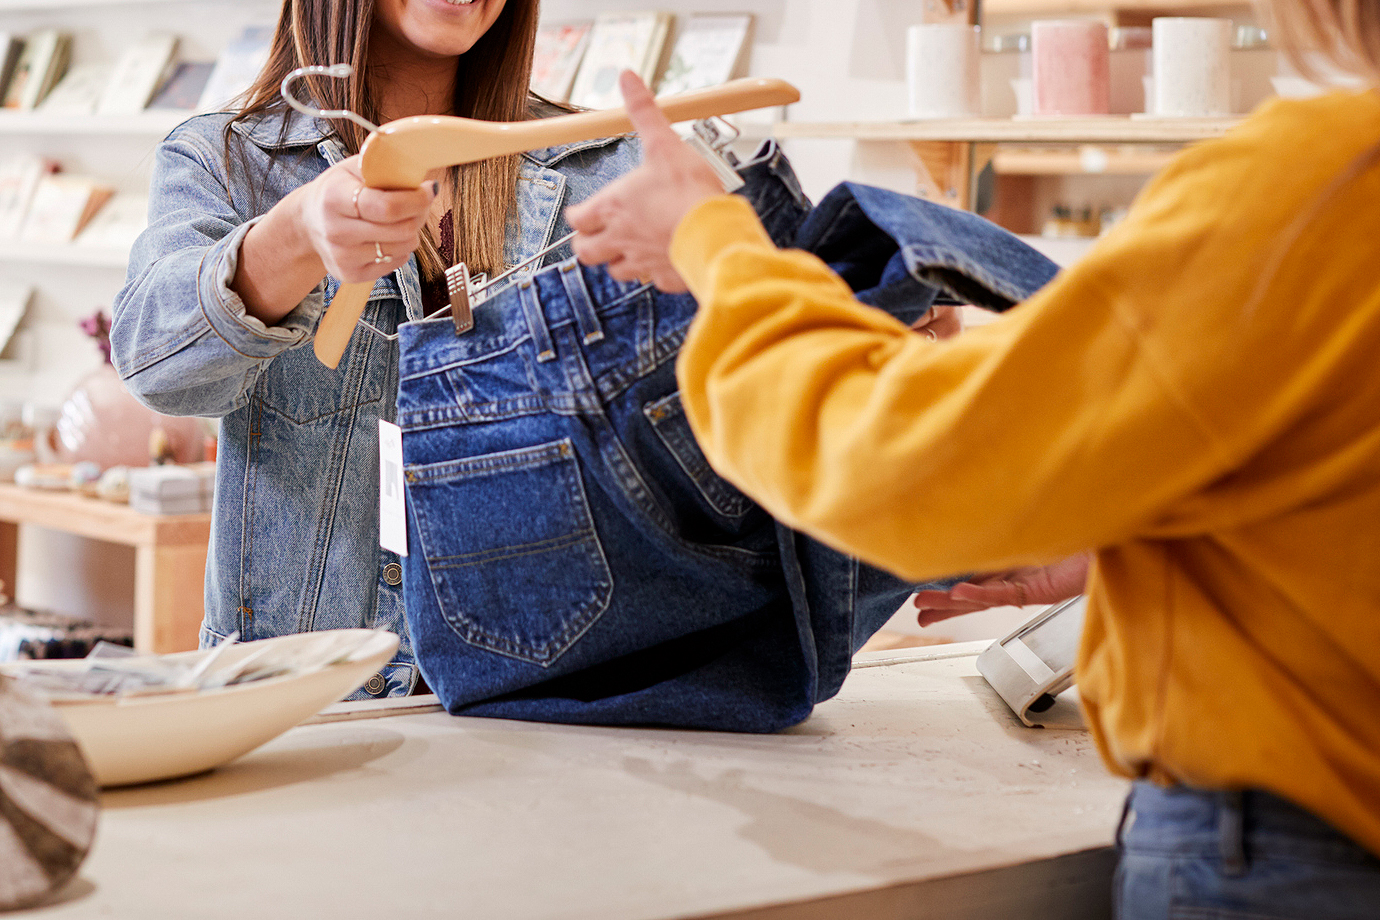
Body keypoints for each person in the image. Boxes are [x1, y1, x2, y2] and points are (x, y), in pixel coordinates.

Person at [565, 2, 1380, 914]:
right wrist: (1140, 539)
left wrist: (714, 244)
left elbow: (897, 460)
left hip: (1303, 857)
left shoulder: (1328, 182)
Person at [110, 0, 642, 697]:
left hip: (545, 696)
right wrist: (293, 236)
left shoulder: (604, 167)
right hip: (305, 697)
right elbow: (160, 367)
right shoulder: (229, 158)